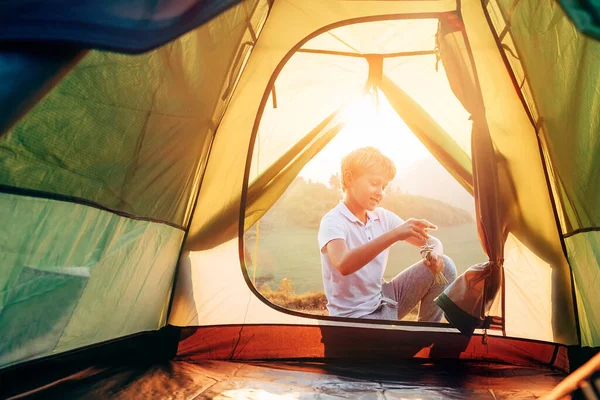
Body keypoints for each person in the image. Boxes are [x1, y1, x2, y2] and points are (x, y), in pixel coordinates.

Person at [318, 146, 457, 322]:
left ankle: (426, 333)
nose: (380, 192)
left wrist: (436, 255)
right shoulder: (333, 221)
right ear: (349, 178)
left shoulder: (383, 217)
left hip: (384, 300)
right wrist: (394, 235)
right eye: (374, 183)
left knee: (447, 265)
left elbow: (432, 241)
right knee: (387, 347)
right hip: (355, 318)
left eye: (384, 187)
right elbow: (344, 264)